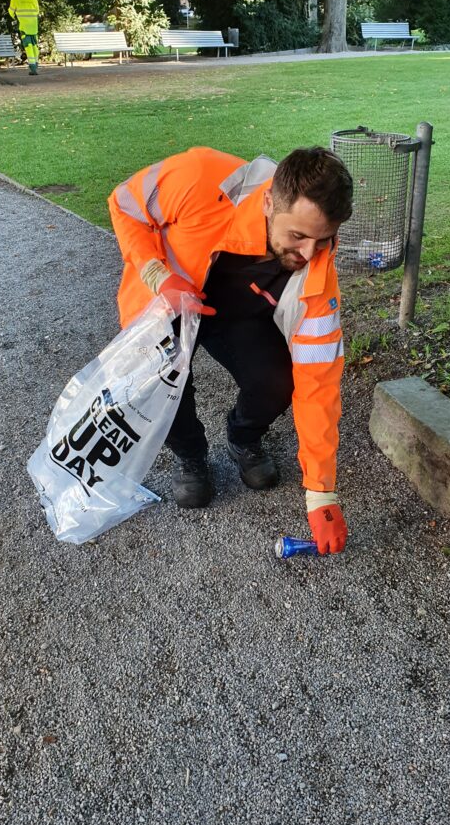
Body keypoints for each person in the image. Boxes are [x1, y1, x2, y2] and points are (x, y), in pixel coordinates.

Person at [108, 146, 353, 555]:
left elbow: (319, 385)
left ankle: (243, 437)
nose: (309, 254)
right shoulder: (201, 176)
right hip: (169, 302)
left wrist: (320, 493)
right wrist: (155, 273)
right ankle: (192, 456)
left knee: (279, 381)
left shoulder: (317, 273)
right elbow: (124, 202)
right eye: (297, 236)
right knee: (159, 384)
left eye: (323, 239)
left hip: (236, 313)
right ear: (271, 201)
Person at [8, 0, 40, 75]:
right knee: (34, 46)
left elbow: (11, 12)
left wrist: (16, 18)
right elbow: (37, 11)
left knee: (28, 46)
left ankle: (33, 68)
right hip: (34, 27)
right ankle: (36, 64)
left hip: (24, 27)